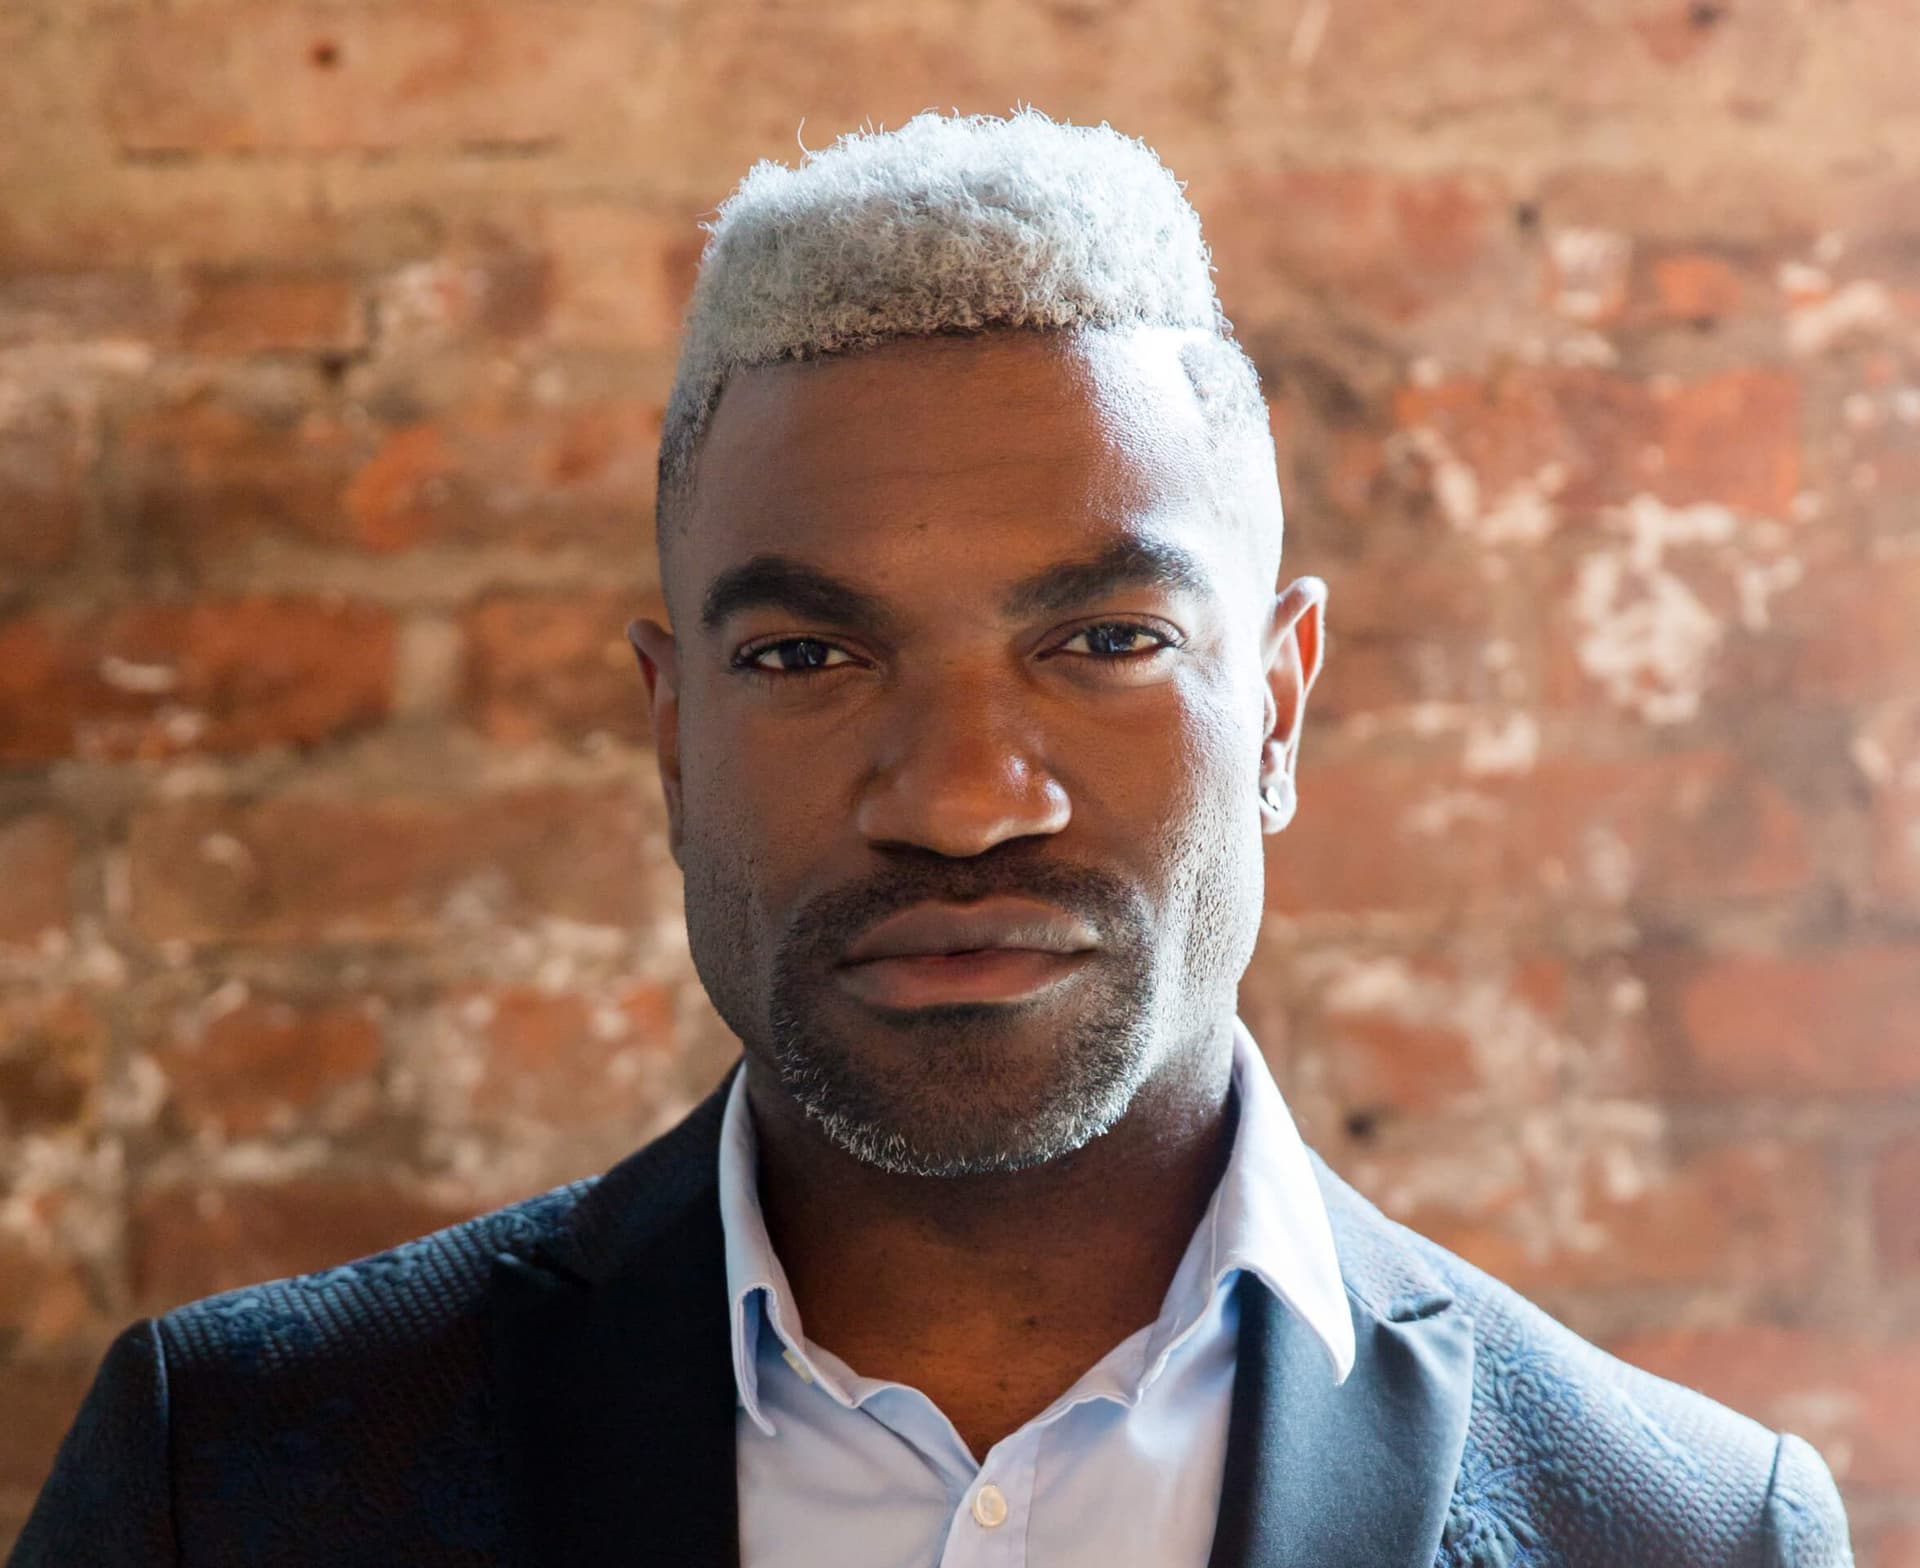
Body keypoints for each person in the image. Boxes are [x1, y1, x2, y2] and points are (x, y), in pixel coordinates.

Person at [12, 109, 1852, 1568]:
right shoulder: (227, 1481)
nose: (963, 801)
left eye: (1105, 644)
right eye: (808, 657)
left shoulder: (1685, 1538)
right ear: (673, 736)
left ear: (1278, 708)